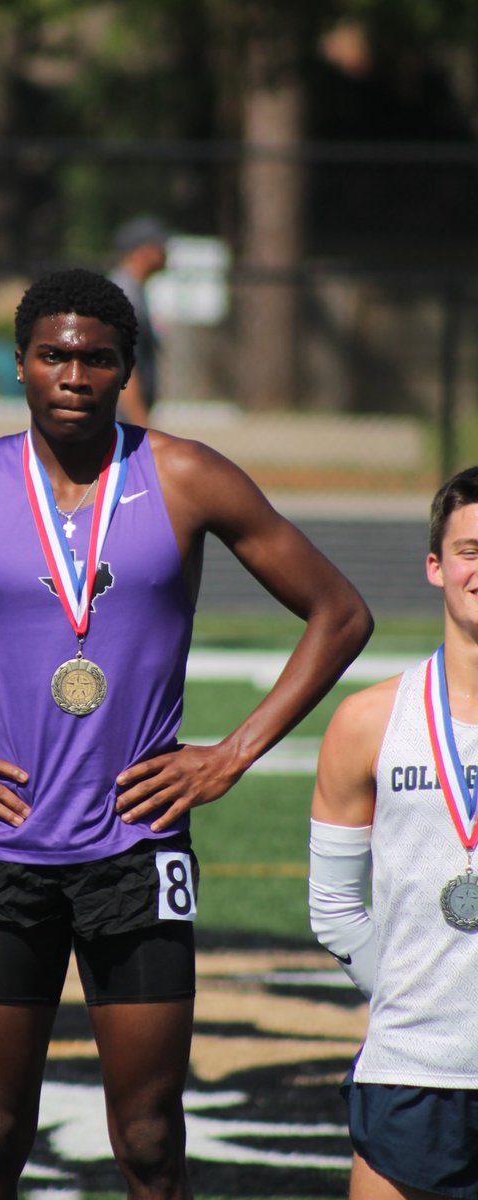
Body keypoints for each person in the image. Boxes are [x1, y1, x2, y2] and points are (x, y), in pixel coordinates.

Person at [0, 267, 372, 1200]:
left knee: (148, 1138)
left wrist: (232, 753)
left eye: (97, 358)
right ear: (19, 368)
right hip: (5, 851)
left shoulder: (185, 475)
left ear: (125, 371)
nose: (74, 375)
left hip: (138, 851)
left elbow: (339, 613)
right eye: (54, 355)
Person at [310, 465, 478, 1200]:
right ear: (436, 565)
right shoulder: (368, 721)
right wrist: (414, 995)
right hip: (410, 1068)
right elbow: (334, 909)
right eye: (471, 550)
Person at [109, 214, 168, 426]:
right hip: (118, 423)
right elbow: (123, 368)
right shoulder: (124, 296)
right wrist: (142, 428)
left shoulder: (136, 291)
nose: (165, 252)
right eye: (159, 245)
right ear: (141, 251)